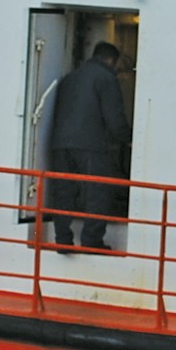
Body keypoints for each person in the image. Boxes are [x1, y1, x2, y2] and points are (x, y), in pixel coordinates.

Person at [46, 41, 131, 251]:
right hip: (90, 144)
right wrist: (128, 138)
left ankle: (63, 241)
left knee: (63, 192)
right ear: (111, 60)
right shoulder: (106, 78)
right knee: (97, 191)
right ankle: (91, 241)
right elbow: (114, 118)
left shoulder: (69, 78)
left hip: (60, 144)